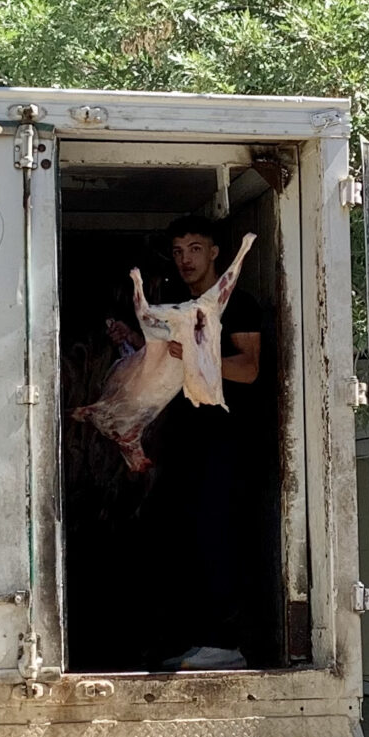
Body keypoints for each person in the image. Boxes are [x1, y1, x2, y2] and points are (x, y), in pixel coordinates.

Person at [147, 215, 268, 671]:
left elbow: (249, 369)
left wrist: (198, 354)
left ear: (215, 252)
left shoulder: (240, 305)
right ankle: (202, 640)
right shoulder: (179, 307)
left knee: (220, 539)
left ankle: (230, 643)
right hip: (187, 445)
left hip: (229, 445)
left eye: (195, 249)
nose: (186, 260)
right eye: (179, 252)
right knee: (186, 540)